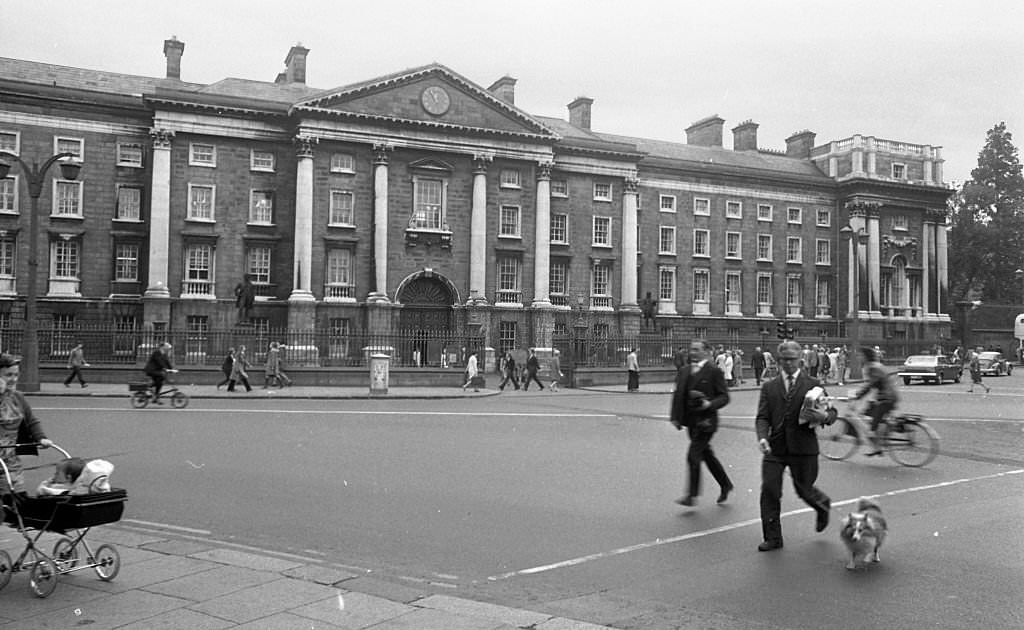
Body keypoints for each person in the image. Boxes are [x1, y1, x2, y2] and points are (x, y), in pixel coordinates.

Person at [755, 340, 832, 552]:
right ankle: (773, 538)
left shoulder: (813, 384)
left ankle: (822, 505)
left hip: (803, 448)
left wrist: (824, 416)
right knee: (769, 490)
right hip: (775, 448)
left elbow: (832, 413)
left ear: (800, 360)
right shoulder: (769, 387)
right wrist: (762, 437)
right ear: (778, 361)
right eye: (784, 360)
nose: (788, 364)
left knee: (804, 490)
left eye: (792, 359)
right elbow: (762, 416)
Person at [670, 339, 733, 507]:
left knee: (693, 456)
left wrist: (709, 404)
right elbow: (678, 396)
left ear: (706, 351)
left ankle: (691, 495)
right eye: (691, 349)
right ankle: (725, 484)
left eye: (696, 349)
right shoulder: (684, 371)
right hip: (691, 422)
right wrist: (675, 417)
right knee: (707, 456)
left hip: (706, 422)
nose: (692, 352)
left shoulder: (714, 371)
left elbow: (724, 396)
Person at [0, 353, 55, 509]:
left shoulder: (18, 397)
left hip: (10, 460)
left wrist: (41, 437)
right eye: (8, 375)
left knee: (16, 503)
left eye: (16, 374)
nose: (14, 379)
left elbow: (31, 421)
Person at [852, 346, 901, 455]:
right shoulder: (875, 365)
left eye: (860, 355)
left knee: (871, 429)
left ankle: (877, 444)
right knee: (865, 413)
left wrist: (858, 395)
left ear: (865, 356)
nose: (859, 357)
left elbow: (871, 384)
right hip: (887, 396)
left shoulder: (871, 367)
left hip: (886, 398)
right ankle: (878, 444)